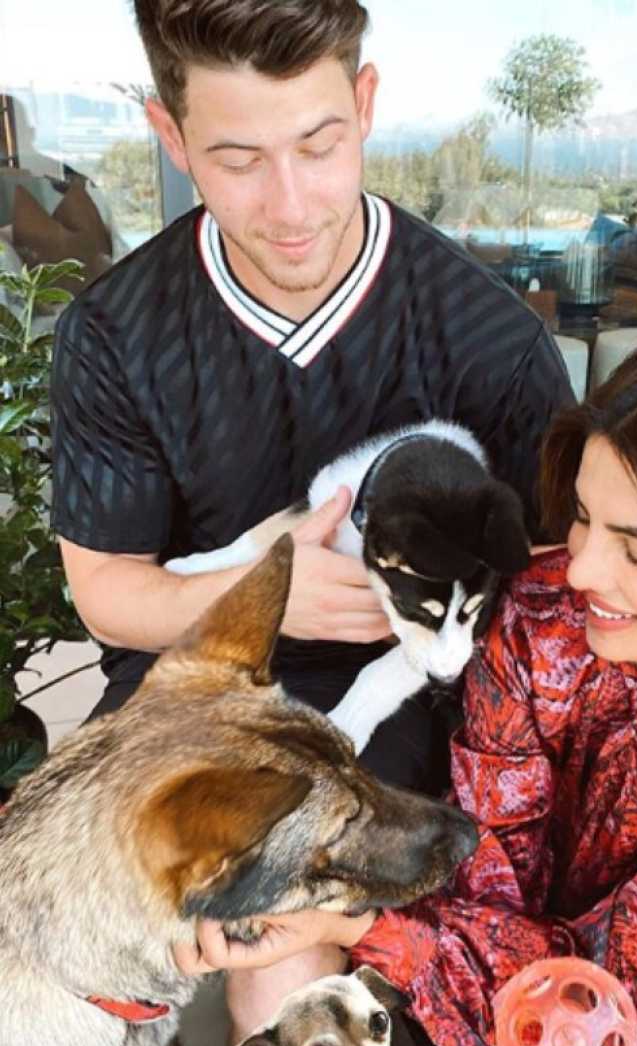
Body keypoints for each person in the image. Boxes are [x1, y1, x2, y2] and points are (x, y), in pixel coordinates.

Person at [177, 317, 637, 1046]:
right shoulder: (542, 617)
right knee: (284, 967)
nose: (579, 571)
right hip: (476, 951)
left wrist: (364, 919)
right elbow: (487, 860)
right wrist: (329, 910)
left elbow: (599, 984)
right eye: (580, 518)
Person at [51, 1, 570, 785]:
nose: (290, 208)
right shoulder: (115, 334)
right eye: (239, 161)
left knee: (305, 880)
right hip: (194, 675)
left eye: (318, 146)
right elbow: (107, 591)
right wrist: (262, 593)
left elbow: (547, 579)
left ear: (363, 106)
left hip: (413, 693)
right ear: (171, 137)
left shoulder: (492, 339)